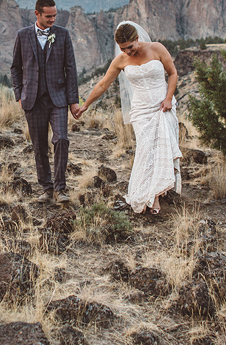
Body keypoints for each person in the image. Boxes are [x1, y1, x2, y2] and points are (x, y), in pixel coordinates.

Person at [74, 21, 181, 214]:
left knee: (161, 148)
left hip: (162, 106)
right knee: (146, 149)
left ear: (137, 39)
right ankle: (149, 192)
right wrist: (85, 106)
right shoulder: (121, 60)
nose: (128, 52)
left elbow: (173, 73)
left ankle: (155, 195)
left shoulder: (157, 48)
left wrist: (168, 99)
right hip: (141, 110)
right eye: (123, 49)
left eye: (130, 47)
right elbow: (102, 85)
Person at [11, 0, 81, 203]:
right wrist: (19, 95)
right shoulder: (22, 35)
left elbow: (71, 69)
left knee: (61, 139)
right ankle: (46, 188)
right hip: (32, 100)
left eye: (54, 16)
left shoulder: (63, 35)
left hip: (58, 99)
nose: (52, 20)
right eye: (48, 16)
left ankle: (60, 188)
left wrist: (73, 101)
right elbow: (16, 67)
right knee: (39, 145)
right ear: (37, 14)